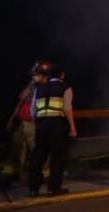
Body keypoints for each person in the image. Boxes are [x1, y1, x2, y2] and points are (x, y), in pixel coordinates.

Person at [26, 61, 77, 197]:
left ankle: (33, 189)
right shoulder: (65, 88)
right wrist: (72, 127)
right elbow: (67, 109)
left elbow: (33, 111)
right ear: (62, 75)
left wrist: (40, 122)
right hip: (58, 126)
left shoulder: (38, 89)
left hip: (41, 126)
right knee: (57, 158)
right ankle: (53, 188)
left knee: (38, 158)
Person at [0, 74, 37, 187]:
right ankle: (10, 175)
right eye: (32, 77)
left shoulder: (44, 90)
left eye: (36, 76)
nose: (33, 79)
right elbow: (20, 101)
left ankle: (42, 174)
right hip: (21, 123)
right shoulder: (29, 90)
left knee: (36, 149)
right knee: (16, 149)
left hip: (34, 123)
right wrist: (12, 119)